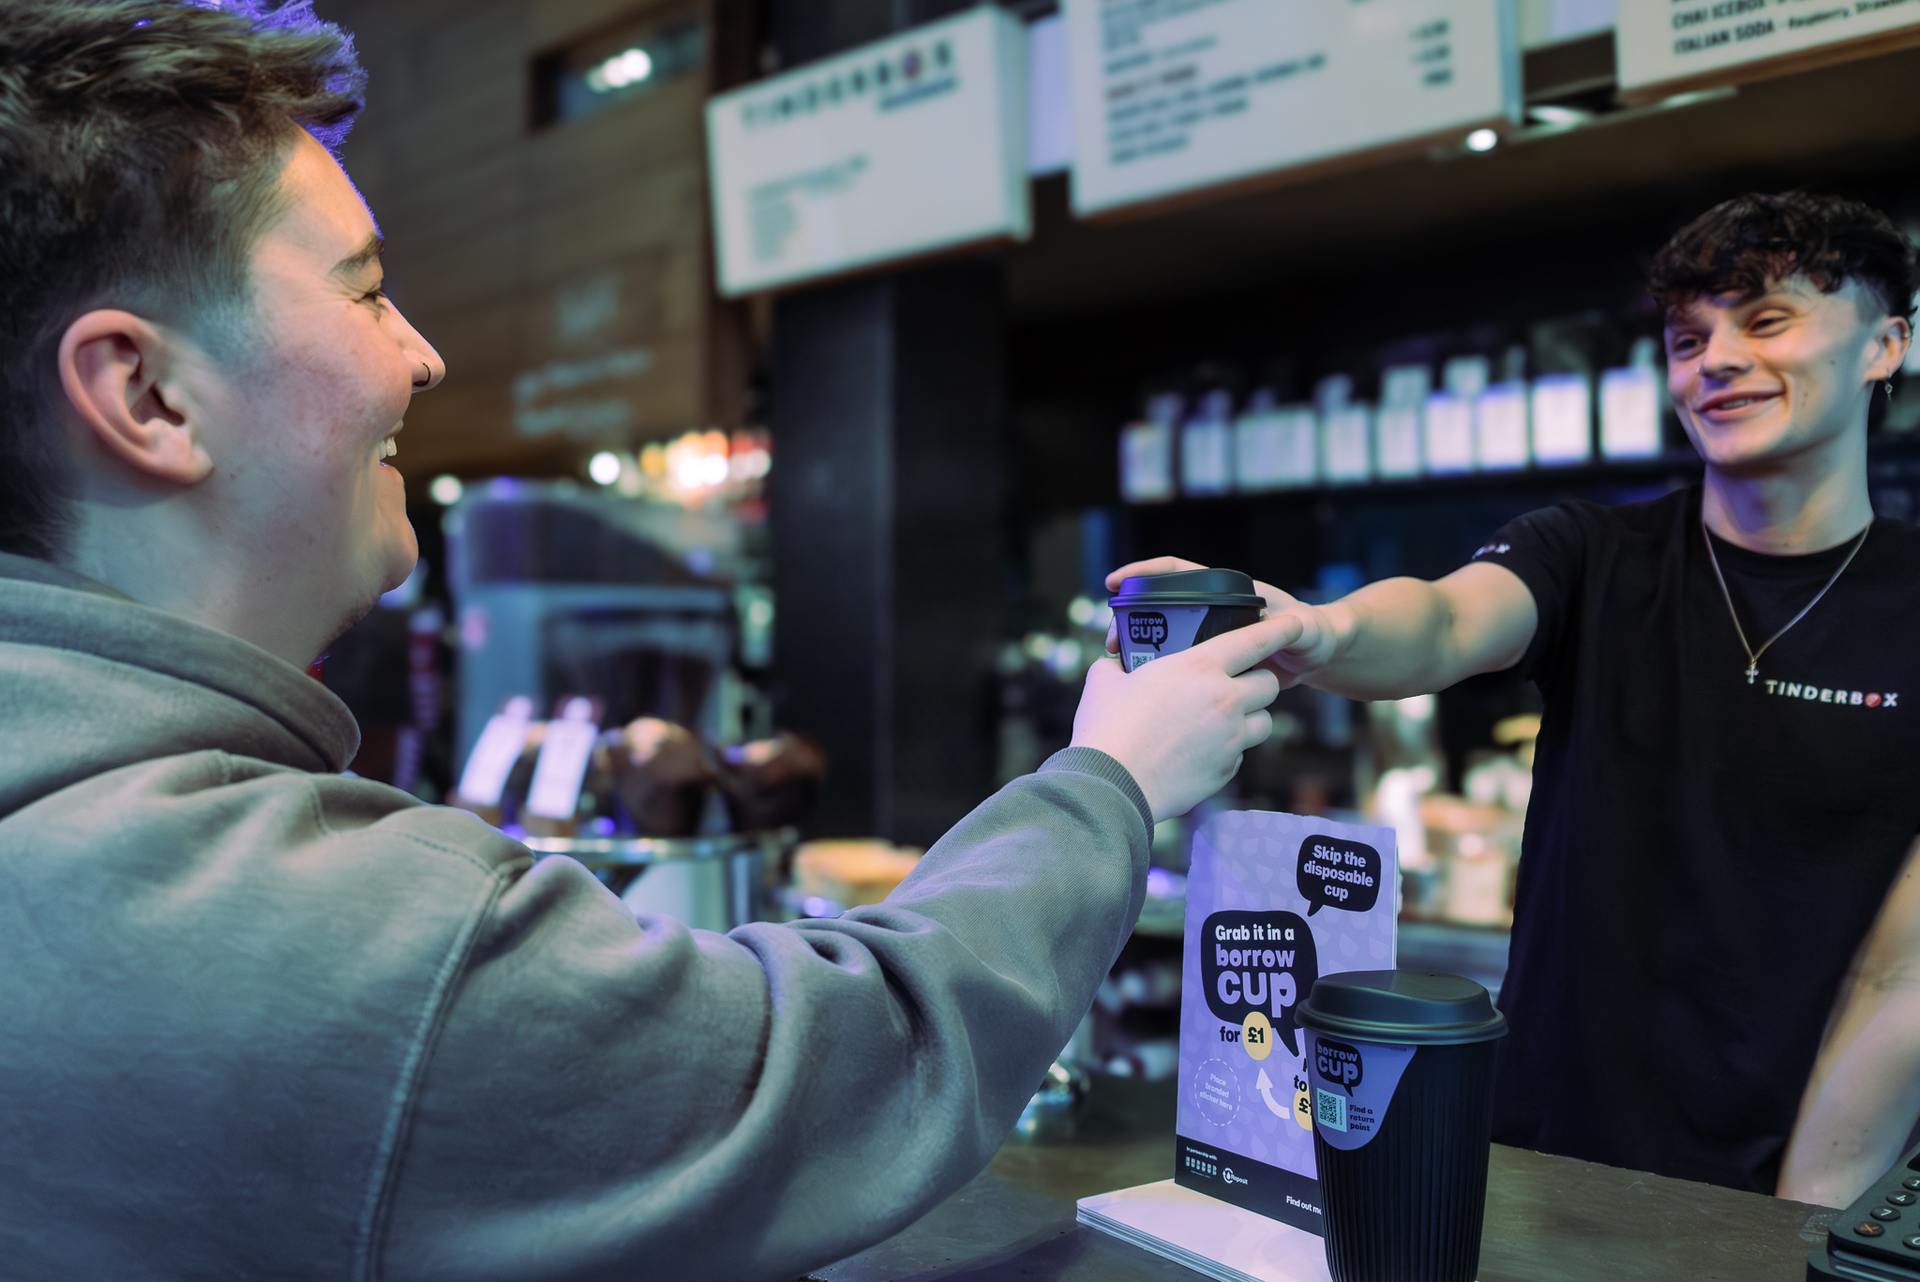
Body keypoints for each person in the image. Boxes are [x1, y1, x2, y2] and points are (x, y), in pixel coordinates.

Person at [0, 3, 1290, 1279]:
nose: (425, 356)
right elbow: (853, 1063)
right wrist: (1111, 782)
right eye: (370, 292)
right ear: (148, 393)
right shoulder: (323, 934)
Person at [1112, 190, 1920, 1205]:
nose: (1711, 360)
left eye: (1765, 320)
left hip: (1797, 1182)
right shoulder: (1592, 552)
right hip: (1542, 1166)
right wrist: (1322, 631)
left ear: (1886, 343)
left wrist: (1799, 1226)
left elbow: (1904, 980)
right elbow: (1445, 623)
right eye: (1685, 337)